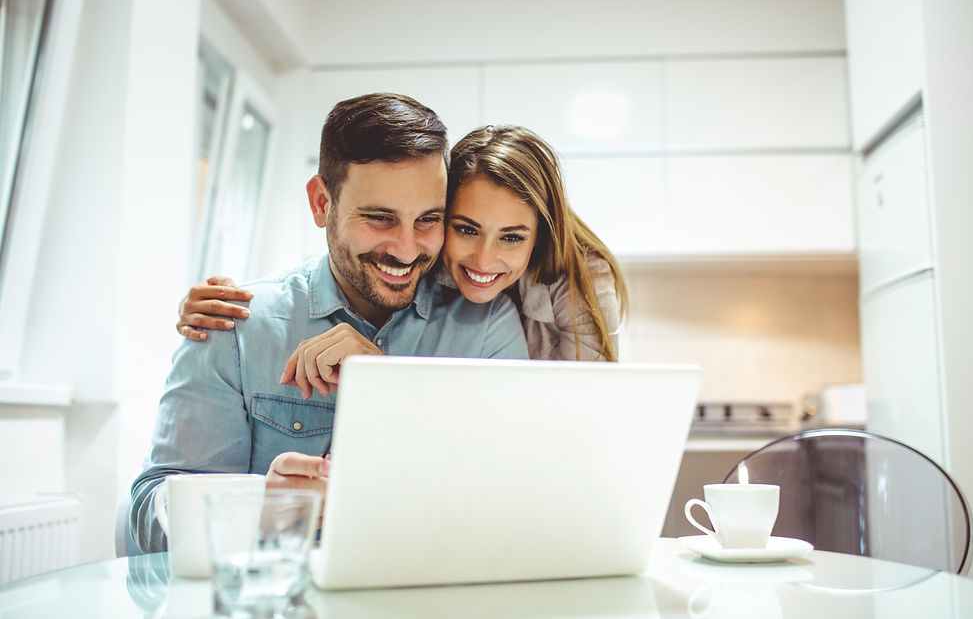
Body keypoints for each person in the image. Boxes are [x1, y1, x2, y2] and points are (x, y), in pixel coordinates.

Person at [131, 93, 528, 553]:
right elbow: (145, 519)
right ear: (322, 203)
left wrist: (388, 383)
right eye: (380, 218)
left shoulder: (486, 325)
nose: (405, 248)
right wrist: (262, 504)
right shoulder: (234, 326)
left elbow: (511, 500)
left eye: (428, 220)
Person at [178, 124, 628, 371]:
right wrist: (231, 299)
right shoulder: (419, 257)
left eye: (512, 237)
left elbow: (590, 415)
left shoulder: (579, 281)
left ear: (539, 237)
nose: (485, 259)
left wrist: (384, 376)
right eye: (465, 229)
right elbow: (340, 268)